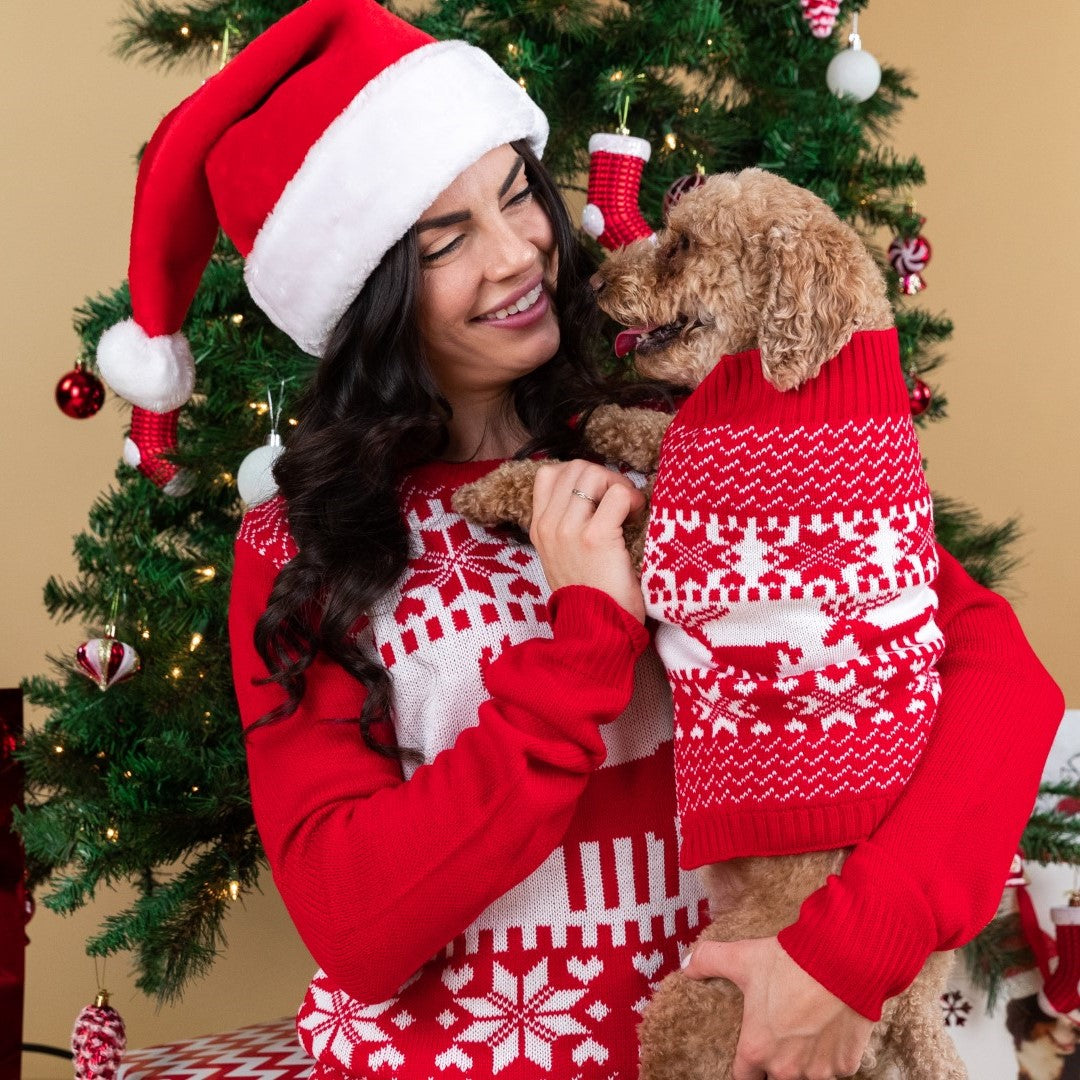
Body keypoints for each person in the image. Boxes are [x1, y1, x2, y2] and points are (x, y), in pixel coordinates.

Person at [93, 1, 1065, 1078]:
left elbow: (998, 678)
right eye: (445, 241)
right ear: (365, 294)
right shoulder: (303, 544)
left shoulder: (703, 444)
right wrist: (587, 642)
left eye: (519, 195)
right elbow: (353, 923)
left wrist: (847, 956)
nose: (518, 255)